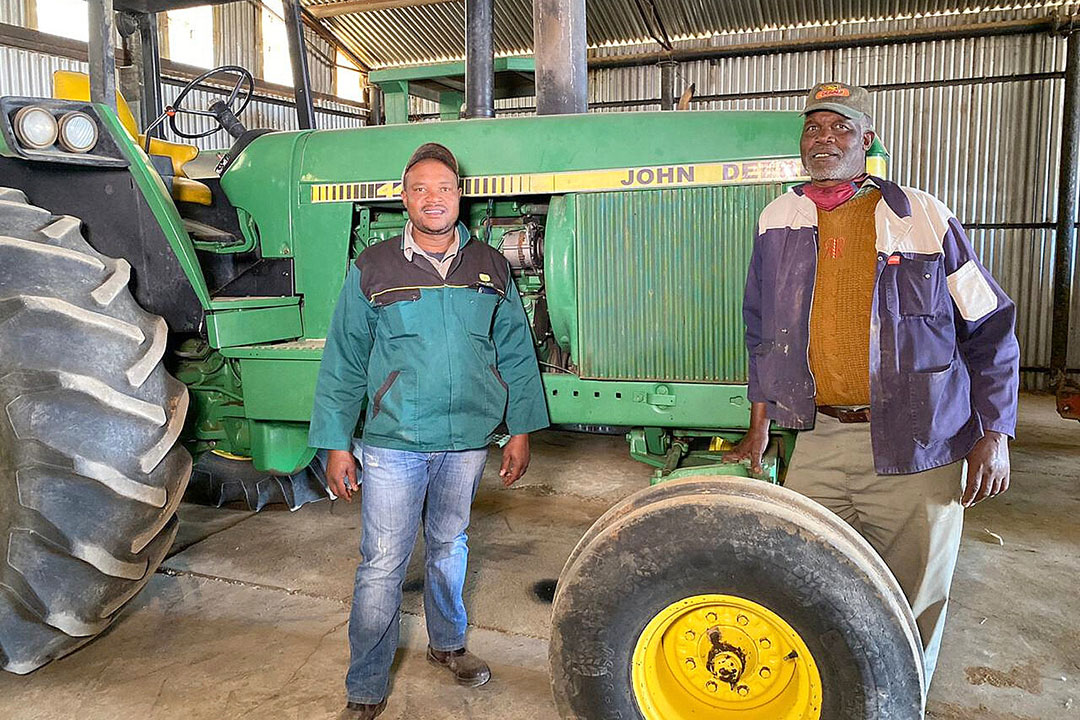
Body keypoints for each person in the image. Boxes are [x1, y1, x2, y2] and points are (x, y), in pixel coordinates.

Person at [725, 82, 1019, 686]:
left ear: (868, 140)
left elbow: (989, 326)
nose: (824, 138)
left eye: (840, 128)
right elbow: (761, 331)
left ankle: (900, 699)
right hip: (822, 435)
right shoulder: (778, 218)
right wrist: (758, 429)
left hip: (921, 440)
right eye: (813, 128)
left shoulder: (922, 217)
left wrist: (996, 432)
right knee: (805, 581)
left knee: (913, 600)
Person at [308, 142, 549, 720]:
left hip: (466, 439)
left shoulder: (492, 265)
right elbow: (344, 357)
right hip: (394, 440)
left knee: (449, 545)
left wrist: (520, 429)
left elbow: (515, 350)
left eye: (443, 187)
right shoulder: (374, 266)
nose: (432, 198)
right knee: (383, 562)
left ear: (460, 195)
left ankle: (448, 645)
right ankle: (365, 686)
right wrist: (336, 442)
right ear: (404, 197)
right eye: (420, 188)